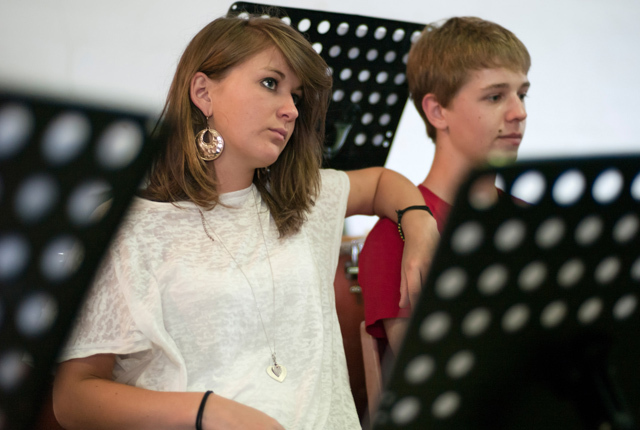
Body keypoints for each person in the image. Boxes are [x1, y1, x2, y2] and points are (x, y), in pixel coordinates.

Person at [52, 12, 438, 430]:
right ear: (203, 92)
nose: (290, 109)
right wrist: (205, 410)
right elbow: (74, 397)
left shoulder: (300, 201)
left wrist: (420, 223)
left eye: (297, 95)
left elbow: (383, 183)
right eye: (271, 83)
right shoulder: (130, 227)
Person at [359, 16, 531, 355]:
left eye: (522, 94)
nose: (519, 112)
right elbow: (427, 379)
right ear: (437, 111)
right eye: (495, 97)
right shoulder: (395, 237)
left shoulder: (533, 219)